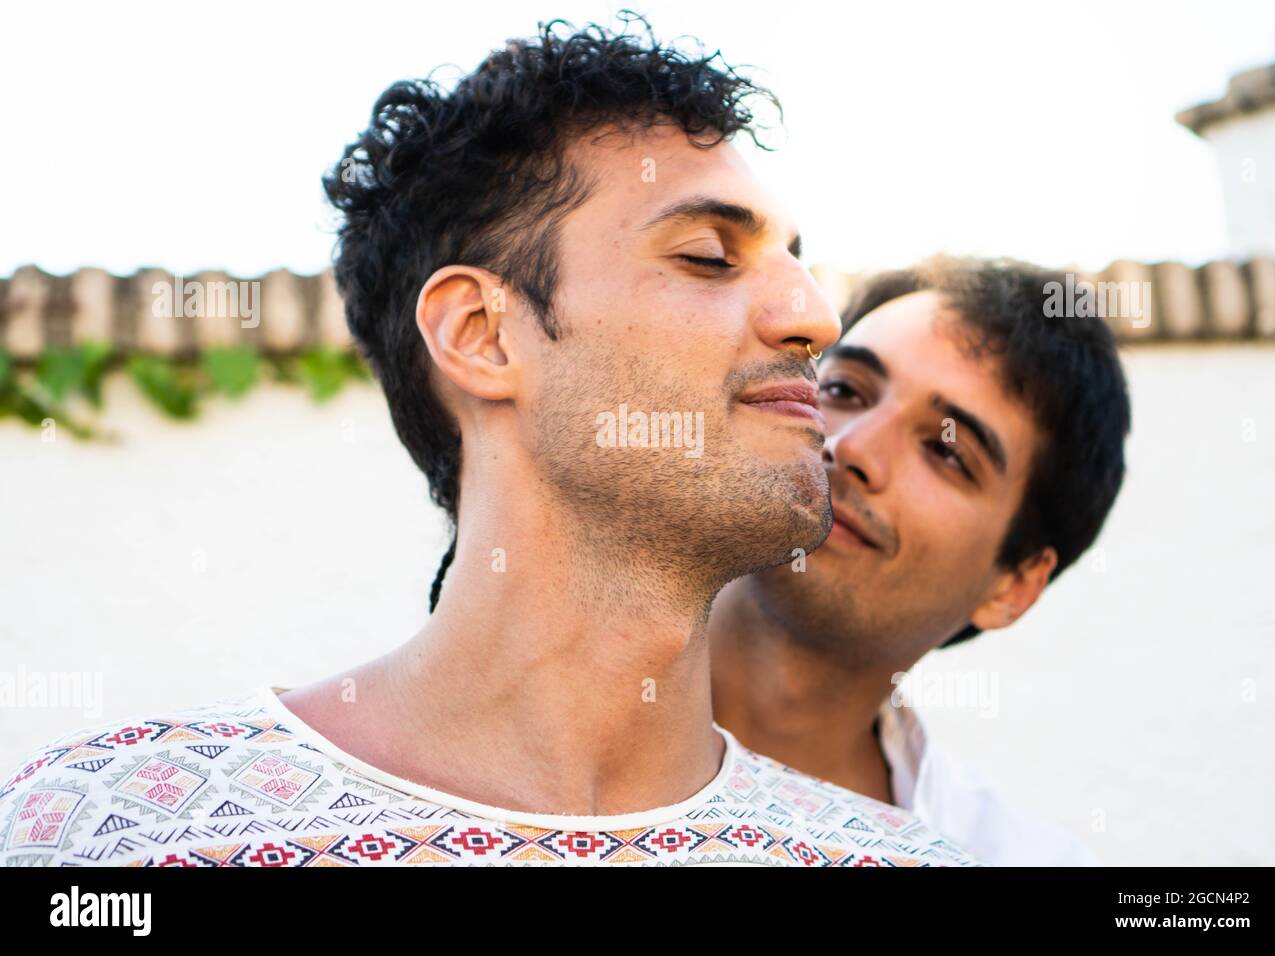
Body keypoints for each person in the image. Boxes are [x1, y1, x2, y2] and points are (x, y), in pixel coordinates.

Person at [0, 18, 978, 867]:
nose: (814, 316)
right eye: (709, 256)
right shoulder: (104, 829)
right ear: (482, 332)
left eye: (797, 265)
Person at [707, 256, 1132, 865]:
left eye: (946, 451)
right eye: (844, 390)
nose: (849, 447)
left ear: (1013, 585)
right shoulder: (527, 710)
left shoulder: (1001, 856)